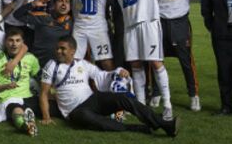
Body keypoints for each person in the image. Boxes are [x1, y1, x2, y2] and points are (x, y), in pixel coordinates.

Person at [39, 36, 179, 137]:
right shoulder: (51, 66)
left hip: (92, 101)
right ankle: (133, 128)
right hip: (74, 111)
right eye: (57, 48)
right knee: (89, 118)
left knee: (124, 98)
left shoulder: (82, 64)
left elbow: (102, 75)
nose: (58, 51)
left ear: (72, 51)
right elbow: (44, 93)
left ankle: (163, 124)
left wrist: (118, 72)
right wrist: (46, 117)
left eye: (62, 49)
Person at [110, 0, 174, 120]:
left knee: (155, 62)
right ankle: (140, 106)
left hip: (148, 20)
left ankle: (167, 104)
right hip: (130, 25)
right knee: (136, 65)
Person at [0, 28, 40, 136]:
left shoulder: (30, 58)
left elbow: (40, 77)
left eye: (18, 40)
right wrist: (5, 86)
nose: (14, 44)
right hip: (8, 98)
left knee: (50, 106)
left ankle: (29, 120)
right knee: (16, 109)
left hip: (28, 97)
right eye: (11, 40)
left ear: (23, 43)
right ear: (5, 42)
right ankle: (26, 125)